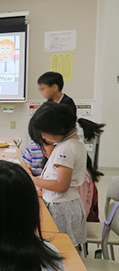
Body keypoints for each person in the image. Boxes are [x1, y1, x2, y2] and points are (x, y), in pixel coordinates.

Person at [28, 102, 105, 247]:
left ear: (56, 129)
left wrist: (33, 181)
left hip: (61, 208)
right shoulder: (72, 144)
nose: (43, 137)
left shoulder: (66, 149)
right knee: (64, 248)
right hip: (64, 205)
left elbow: (61, 185)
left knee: (62, 249)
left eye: (43, 133)